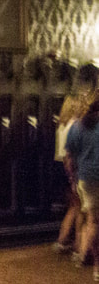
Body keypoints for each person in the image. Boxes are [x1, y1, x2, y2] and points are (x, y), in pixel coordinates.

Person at [64, 96, 99, 280]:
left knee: (91, 220)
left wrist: (72, 179)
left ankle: (95, 266)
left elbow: (69, 157)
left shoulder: (78, 126)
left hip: (85, 179)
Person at [54, 93, 85, 255]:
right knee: (79, 209)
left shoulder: (61, 125)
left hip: (60, 168)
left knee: (72, 207)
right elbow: (71, 153)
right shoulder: (75, 125)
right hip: (70, 169)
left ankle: (63, 239)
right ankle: (79, 246)